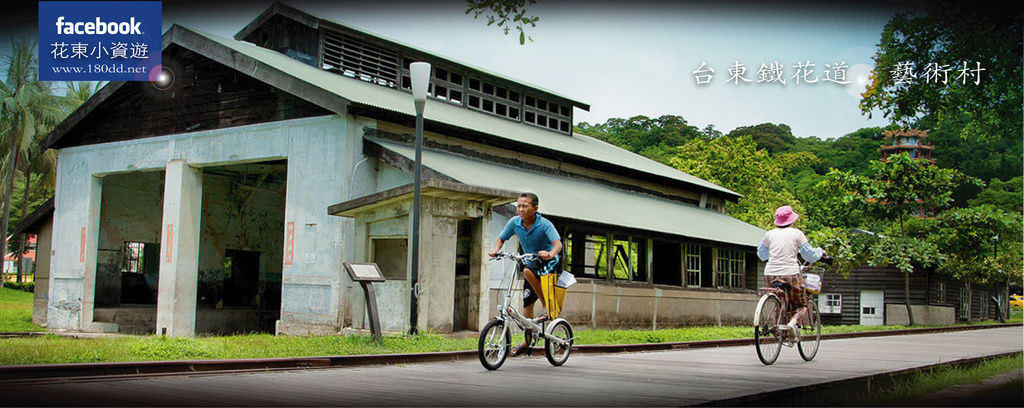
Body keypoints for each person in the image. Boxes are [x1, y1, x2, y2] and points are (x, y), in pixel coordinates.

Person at [488, 192, 562, 356]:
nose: (520, 209)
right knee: (527, 306)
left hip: (548, 261)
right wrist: (495, 250)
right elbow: (501, 239)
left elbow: (558, 244)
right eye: (518, 206)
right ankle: (528, 342)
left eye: (524, 206)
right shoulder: (515, 223)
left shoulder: (544, 224)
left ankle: (547, 307)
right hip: (530, 260)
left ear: (535, 208)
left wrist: (550, 253)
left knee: (527, 270)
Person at [757, 205, 825, 339]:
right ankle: (792, 323)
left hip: (770, 275)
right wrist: (820, 252)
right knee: (801, 305)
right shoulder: (797, 233)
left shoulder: (769, 234)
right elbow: (809, 256)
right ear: (792, 220)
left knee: (779, 296)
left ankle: (778, 318)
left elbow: (762, 255)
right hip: (791, 274)